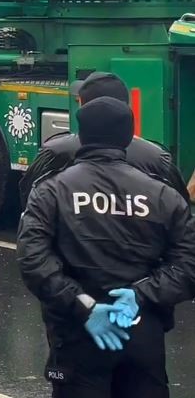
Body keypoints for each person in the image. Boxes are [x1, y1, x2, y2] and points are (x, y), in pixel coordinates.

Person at [19, 96, 195, 398]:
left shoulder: (51, 191)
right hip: (142, 331)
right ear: (128, 136)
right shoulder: (162, 194)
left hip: (77, 334)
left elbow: (33, 260)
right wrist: (142, 294)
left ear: (81, 135)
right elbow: (189, 263)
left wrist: (84, 306)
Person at [21, 71, 187, 208]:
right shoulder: (156, 157)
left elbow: (29, 198)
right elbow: (180, 211)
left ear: (84, 108)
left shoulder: (55, 151)